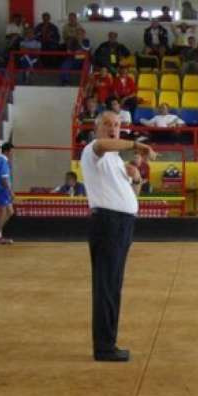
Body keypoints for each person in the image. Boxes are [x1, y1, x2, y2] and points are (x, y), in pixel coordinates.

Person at [78, 112, 156, 362]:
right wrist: (136, 144)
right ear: (97, 128)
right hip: (108, 223)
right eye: (107, 124)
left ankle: (108, 342)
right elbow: (102, 144)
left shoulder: (114, 160)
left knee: (112, 285)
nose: (113, 128)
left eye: (117, 125)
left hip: (120, 223)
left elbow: (132, 195)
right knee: (107, 286)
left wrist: (137, 177)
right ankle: (104, 346)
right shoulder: (94, 150)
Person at [0, 142, 16, 244]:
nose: (12, 154)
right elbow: (4, 180)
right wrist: (10, 192)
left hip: (0, 189)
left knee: (10, 212)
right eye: (12, 151)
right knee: (3, 213)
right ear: (7, 151)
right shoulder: (3, 161)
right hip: (2, 189)